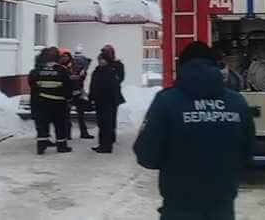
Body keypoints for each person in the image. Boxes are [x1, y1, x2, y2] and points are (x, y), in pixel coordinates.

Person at [134, 41, 256, 220]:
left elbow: (146, 155)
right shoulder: (237, 102)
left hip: (179, 207)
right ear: (215, 66)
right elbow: (247, 153)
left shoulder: (166, 102)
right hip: (222, 208)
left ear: (181, 66)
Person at [28, 47, 74, 154]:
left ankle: (41, 146)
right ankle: (61, 146)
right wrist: (69, 98)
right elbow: (68, 86)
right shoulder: (62, 70)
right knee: (60, 124)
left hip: (40, 102)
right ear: (57, 57)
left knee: (42, 124)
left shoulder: (37, 70)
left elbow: (32, 85)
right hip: (58, 103)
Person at [89, 54, 123, 153]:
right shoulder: (97, 71)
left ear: (107, 60)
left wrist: (114, 100)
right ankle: (102, 144)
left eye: (102, 60)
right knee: (101, 123)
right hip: (99, 101)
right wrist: (92, 97)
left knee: (107, 124)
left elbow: (114, 88)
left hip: (108, 101)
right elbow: (93, 85)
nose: (100, 61)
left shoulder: (110, 71)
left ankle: (107, 146)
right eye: (99, 59)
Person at [100, 44, 126, 143]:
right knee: (103, 118)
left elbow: (120, 78)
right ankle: (105, 136)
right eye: (104, 52)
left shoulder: (118, 65)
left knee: (111, 116)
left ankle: (111, 136)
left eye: (107, 52)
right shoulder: (102, 65)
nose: (105, 54)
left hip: (113, 95)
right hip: (102, 95)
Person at [67, 46, 94, 139]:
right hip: (76, 92)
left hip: (73, 92)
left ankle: (68, 134)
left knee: (70, 114)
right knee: (80, 114)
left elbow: (80, 79)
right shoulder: (81, 66)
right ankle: (83, 133)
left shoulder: (71, 65)